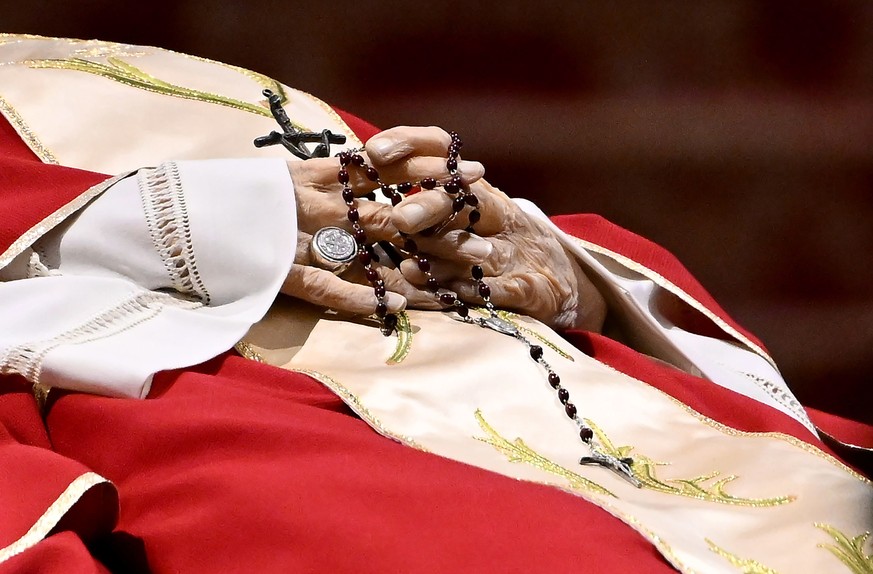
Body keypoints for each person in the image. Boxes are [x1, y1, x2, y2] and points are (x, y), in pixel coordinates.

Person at [0, 34, 871, 574]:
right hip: (262, 462)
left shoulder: (113, 75)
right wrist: (162, 229)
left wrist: (573, 281)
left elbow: (409, 210)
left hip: (607, 423)